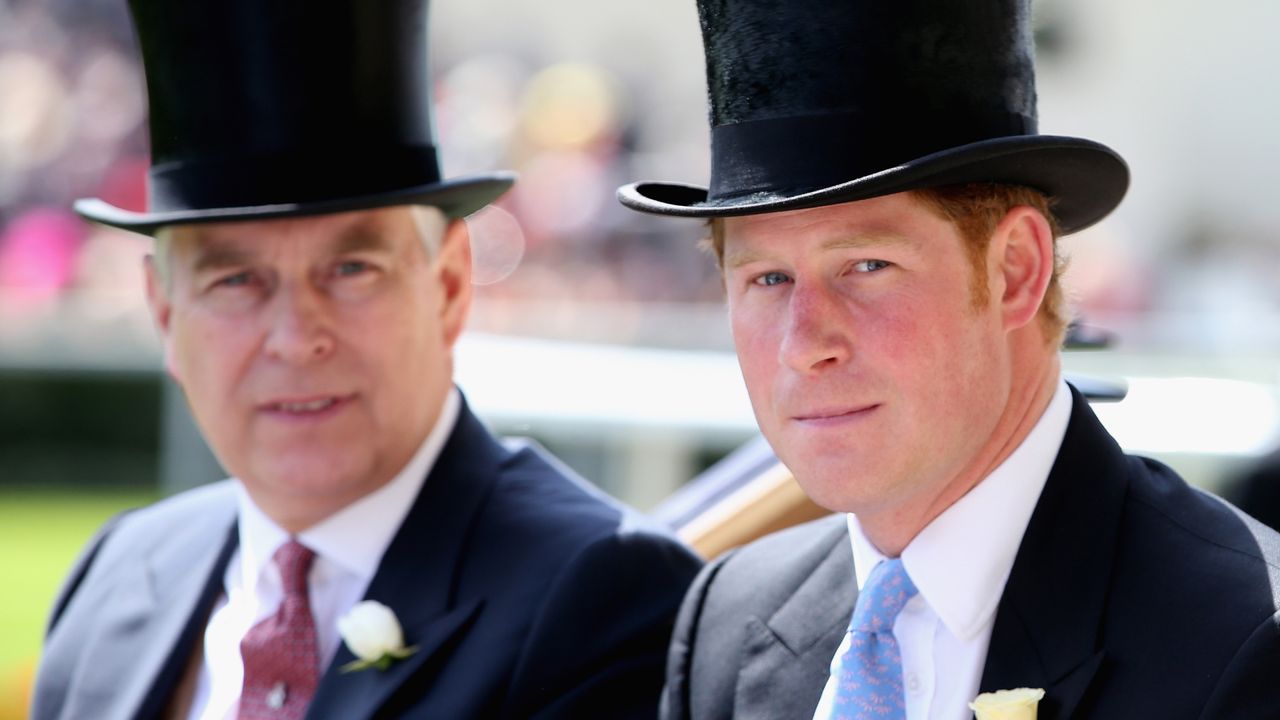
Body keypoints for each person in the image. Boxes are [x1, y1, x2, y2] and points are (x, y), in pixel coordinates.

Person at [32, 1, 701, 718]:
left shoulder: (600, 595)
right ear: (165, 314)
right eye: (236, 280)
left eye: (351, 269)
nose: (295, 336)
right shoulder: (121, 573)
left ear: (447, 285)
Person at [618, 1, 1280, 718]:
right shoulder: (729, 619)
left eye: (867, 265)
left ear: (1016, 271)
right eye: (766, 279)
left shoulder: (1245, 644)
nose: (804, 345)